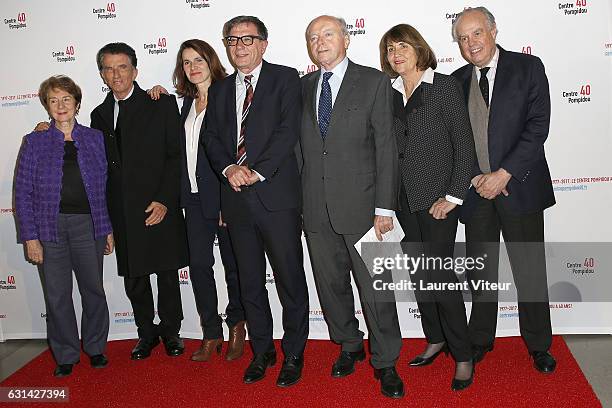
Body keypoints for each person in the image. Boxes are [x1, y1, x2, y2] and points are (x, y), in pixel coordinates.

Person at [300, 15, 403, 398]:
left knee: (377, 289)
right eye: (313, 37)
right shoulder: (304, 86)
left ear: (346, 39)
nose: (320, 41)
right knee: (331, 287)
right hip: (315, 208)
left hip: (365, 210)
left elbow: (386, 150)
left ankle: (386, 361)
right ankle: (349, 345)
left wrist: (385, 209)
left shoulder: (375, 82)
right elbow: (300, 151)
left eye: (327, 34)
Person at [204, 16, 308, 387]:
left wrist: (256, 171)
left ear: (263, 44)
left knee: (290, 280)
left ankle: (294, 354)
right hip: (235, 201)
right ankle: (262, 351)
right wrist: (230, 167)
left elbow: (287, 131)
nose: (239, 46)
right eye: (232, 40)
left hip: (276, 198)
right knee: (249, 283)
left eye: (248, 39)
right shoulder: (218, 90)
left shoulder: (285, 78)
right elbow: (212, 139)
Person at [451, 7, 556, 373]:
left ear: (493, 31)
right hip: (476, 192)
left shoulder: (528, 68)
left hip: (520, 187)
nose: (471, 44)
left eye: (476, 33)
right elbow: (455, 140)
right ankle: (480, 338)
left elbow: (537, 126)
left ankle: (540, 344)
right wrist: (474, 178)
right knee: (481, 271)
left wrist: (504, 173)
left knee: (529, 270)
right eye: (463, 38)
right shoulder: (456, 80)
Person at [379, 24, 476, 390]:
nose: (395, 54)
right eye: (389, 49)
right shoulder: (387, 92)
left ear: (419, 48)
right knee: (420, 278)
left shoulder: (444, 87)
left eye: (402, 46)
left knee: (441, 277)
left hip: (437, 203)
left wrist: (452, 198)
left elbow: (464, 146)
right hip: (403, 203)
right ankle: (436, 338)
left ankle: (463, 354)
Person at [148, 39, 246, 362]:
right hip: (191, 199)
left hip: (223, 198)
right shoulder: (185, 105)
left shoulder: (228, 95)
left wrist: (222, 201)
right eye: (186, 62)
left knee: (234, 267)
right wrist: (156, 95)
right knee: (200, 267)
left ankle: (236, 326)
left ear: (210, 60)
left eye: (198, 59)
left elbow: (230, 151)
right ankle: (210, 332)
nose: (193, 67)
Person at [90, 42, 189, 360]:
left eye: (122, 67)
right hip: (122, 210)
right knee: (135, 278)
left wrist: (164, 200)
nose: (115, 74)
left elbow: (176, 157)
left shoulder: (160, 104)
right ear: (102, 74)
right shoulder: (99, 115)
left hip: (159, 205)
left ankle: (172, 332)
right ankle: (146, 334)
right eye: (108, 68)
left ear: (135, 70)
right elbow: (95, 165)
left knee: (166, 274)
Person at [15, 75, 114, 377]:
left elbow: (104, 187)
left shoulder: (94, 138)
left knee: (93, 290)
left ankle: (96, 348)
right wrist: (31, 238)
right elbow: (22, 191)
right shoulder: (35, 141)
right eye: (54, 100)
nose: (60, 106)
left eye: (66, 99)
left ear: (77, 104)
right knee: (57, 295)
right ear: (46, 105)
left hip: (89, 225)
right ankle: (66, 354)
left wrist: (107, 228)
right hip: (50, 228)